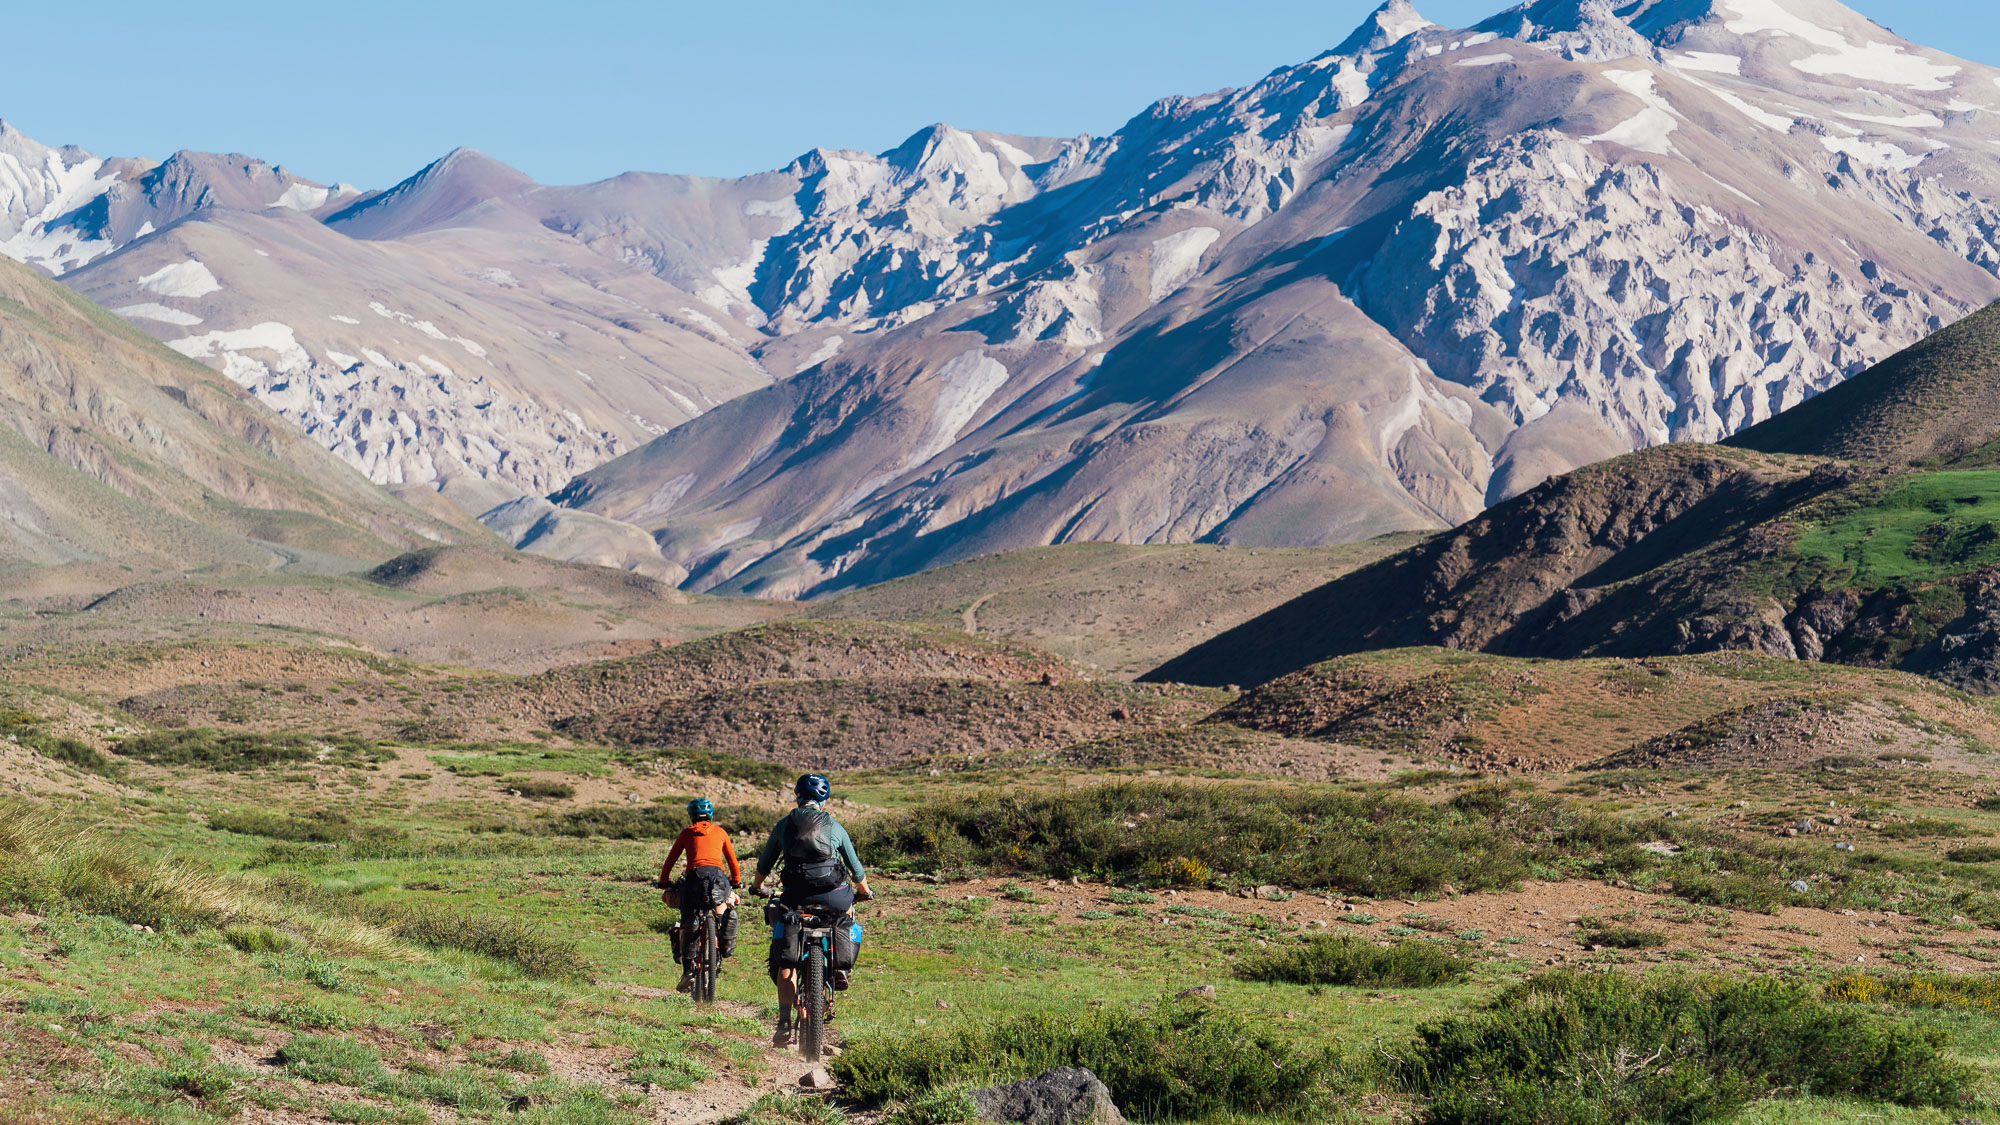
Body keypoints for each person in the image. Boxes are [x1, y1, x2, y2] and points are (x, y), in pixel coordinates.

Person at [748, 773, 872, 1046]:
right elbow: (855, 867)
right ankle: (841, 967)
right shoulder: (835, 826)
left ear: (798, 797)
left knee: (786, 961)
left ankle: (783, 1022)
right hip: (835, 897)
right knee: (847, 911)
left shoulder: (784, 825)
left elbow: (765, 862)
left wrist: (757, 887)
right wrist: (863, 891)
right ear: (823, 802)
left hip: (794, 897)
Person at [658, 797, 742, 993]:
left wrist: (664, 881)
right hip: (718, 880)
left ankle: (688, 970)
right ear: (710, 815)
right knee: (722, 911)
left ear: (691, 815)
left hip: (694, 881)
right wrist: (736, 881)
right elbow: (732, 861)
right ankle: (724, 939)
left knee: (688, 922)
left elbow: (670, 860)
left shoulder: (687, 833)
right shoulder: (720, 832)